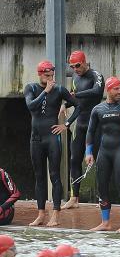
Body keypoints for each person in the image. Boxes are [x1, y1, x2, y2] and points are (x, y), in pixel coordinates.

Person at [85, 77, 120, 233]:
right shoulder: (98, 109)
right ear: (108, 90)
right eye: (116, 89)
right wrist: (88, 152)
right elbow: (90, 131)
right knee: (101, 186)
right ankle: (106, 222)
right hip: (104, 152)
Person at [25, 60, 78, 227]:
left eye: (52, 76)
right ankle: (41, 214)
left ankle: (55, 214)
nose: (50, 79)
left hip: (52, 138)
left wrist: (66, 124)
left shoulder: (59, 90)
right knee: (39, 177)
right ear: (40, 74)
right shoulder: (31, 88)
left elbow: (78, 105)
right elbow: (31, 107)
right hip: (36, 139)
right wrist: (45, 92)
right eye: (47, 76)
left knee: (54, 175)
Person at [64, 57, 103, 205]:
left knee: (100, 161)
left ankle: (102, 197)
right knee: (74, 160)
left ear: (85, 62)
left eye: (78, 65)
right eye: (72, 67)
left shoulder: (96, 75)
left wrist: (76, 95)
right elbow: (74, 98)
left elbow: (97, 91)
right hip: (80, 123)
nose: (75, 69)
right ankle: (74, 198)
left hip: (95, 123)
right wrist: (65, 105)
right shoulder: (75, 77)